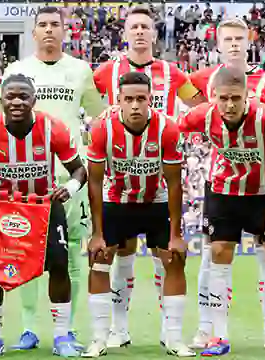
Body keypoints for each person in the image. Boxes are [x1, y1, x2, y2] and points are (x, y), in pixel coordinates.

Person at [0, 6, 106, 349]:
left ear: (64, 30)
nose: (48, 30)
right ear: (33, 32)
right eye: (41, 25)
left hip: (71, 176)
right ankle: (28, 328)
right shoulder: (17, 70)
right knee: (24, 251)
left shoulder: (81, 70)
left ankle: (67, 329)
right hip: (25, 175)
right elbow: (2, 121)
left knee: (73, 251)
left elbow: (100, 117)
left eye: (54, 25)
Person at [92, 5, 204, 347]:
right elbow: (88, 101)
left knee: (165, 257)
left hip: (160, 163)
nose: (140, 32)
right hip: (120, 175)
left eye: (145, 27)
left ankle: (170, 335)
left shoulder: (173, 73)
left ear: (155, 34)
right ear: (125, 34)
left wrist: (182, 128)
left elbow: (199, 104)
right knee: (119, 254)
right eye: (134, 27)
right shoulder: (105, 72)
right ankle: (117, 330)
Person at [0, 73, 87, 358]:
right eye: (10, 97)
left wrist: (70, 188)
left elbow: (79, 169)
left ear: (34, 100)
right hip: (1, 209)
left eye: (23, 96)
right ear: (0, 100)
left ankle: (62, 336)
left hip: (45, 206)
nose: (16, 101)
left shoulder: (52, 127)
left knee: (60, 265)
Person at [188, 18, 265, 350]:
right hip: (222, 188)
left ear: (249, 42)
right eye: (227, 38)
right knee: (214, 253)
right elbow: (174, 113)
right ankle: (211, 331)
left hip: (263, 189)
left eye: (239, 38)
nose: (229, 105)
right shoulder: (204, 88)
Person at [83, 72, 194, 358]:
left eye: (141, 99)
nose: (135, 105)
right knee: (99, 261)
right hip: (116, 201)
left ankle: (173, 338)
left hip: (155, 201)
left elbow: (174, 183)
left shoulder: (167, 129)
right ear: (118, 100)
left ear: (150, 100)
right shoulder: (101, 129)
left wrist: (176, 235)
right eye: (128, 99)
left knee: (173, 259)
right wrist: (96, 234)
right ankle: (99, 338)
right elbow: (94, 181)